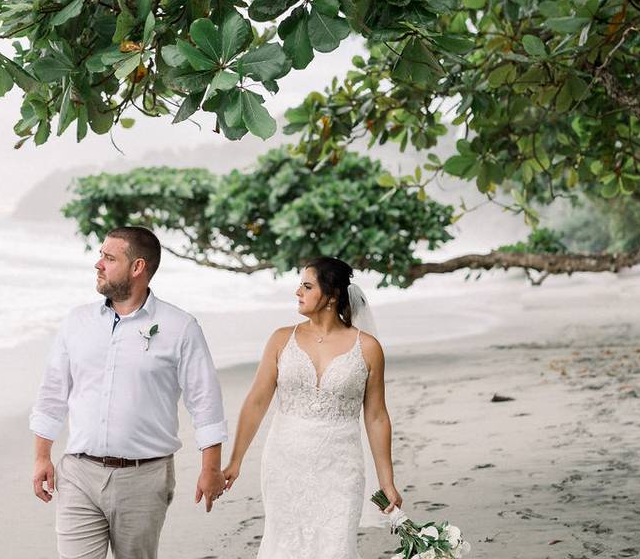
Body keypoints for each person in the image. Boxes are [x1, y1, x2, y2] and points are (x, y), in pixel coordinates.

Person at [29, 226, 228, 559]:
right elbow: (52, 392)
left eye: (109, 258)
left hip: (145, 477)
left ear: (138, 267)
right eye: (100, 256)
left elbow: (205, 401)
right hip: (78, 472)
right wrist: (40, 457)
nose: (99, 264)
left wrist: (211, 469)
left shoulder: (180, 327)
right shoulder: (77, 322)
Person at [222, 256, 402, 559]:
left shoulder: (368, 347)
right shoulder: (281, 339)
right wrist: (235, 461)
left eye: (307, 286)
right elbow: (256, 401)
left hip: (341, 466)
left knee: (336, 547)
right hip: (284, 462)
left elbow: (376, 417)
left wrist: (387, 481)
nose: (298, 293)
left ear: (331, 295)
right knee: (284, 545)